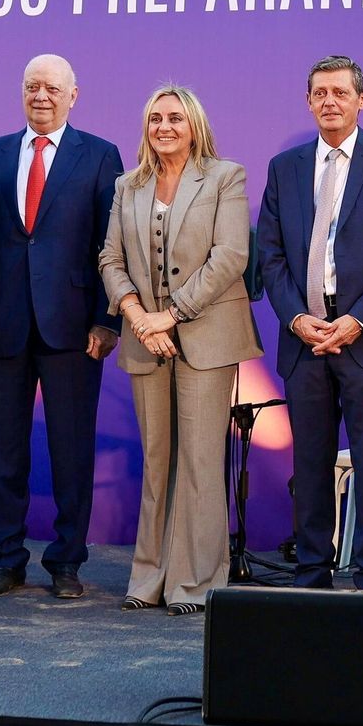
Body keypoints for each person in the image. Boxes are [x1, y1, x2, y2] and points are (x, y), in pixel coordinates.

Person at [257, 56, 363, 590]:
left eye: (340, 92)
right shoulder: (285, 167)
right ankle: (311, 571)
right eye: (320, 93)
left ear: (362, 100)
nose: (329, 101)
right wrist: (297, 319)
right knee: (310, 463)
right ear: (308, 101)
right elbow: (270, 256)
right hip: (305, 339)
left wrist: (357, 320)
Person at [100, 84, 261, 615]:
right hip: (145, 337)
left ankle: (194, 582)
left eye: (174, 118)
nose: (164, 127)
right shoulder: (127, 185)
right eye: (155, 119)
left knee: (198, 461)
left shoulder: (225, 176)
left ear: (194, 125)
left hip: (207, 338)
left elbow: (230, 256)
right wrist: (139, 319)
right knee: (156, 462)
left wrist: (169, 316)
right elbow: (110, 259)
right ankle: (148, 578)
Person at [0, 54, 122, 600]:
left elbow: (112, 244)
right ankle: (6, 559)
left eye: (53, 88)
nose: (41, 96)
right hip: (3, 326)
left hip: (74, 329)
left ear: (73, 95)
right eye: (32, 86)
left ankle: (66, 562)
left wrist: (107, 320)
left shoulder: (100, 155)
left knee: (71, 450)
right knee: (4, 452)